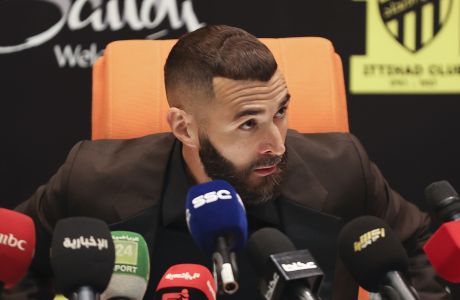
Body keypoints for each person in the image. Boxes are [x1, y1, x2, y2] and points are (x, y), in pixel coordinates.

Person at [12, 25, 450, 299]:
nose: (276, 143)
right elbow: (12, 265)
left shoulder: (341, 166)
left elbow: (421, 245)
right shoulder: (93, 178)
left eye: (280, 112)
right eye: (247, 125)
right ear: (184, 128)